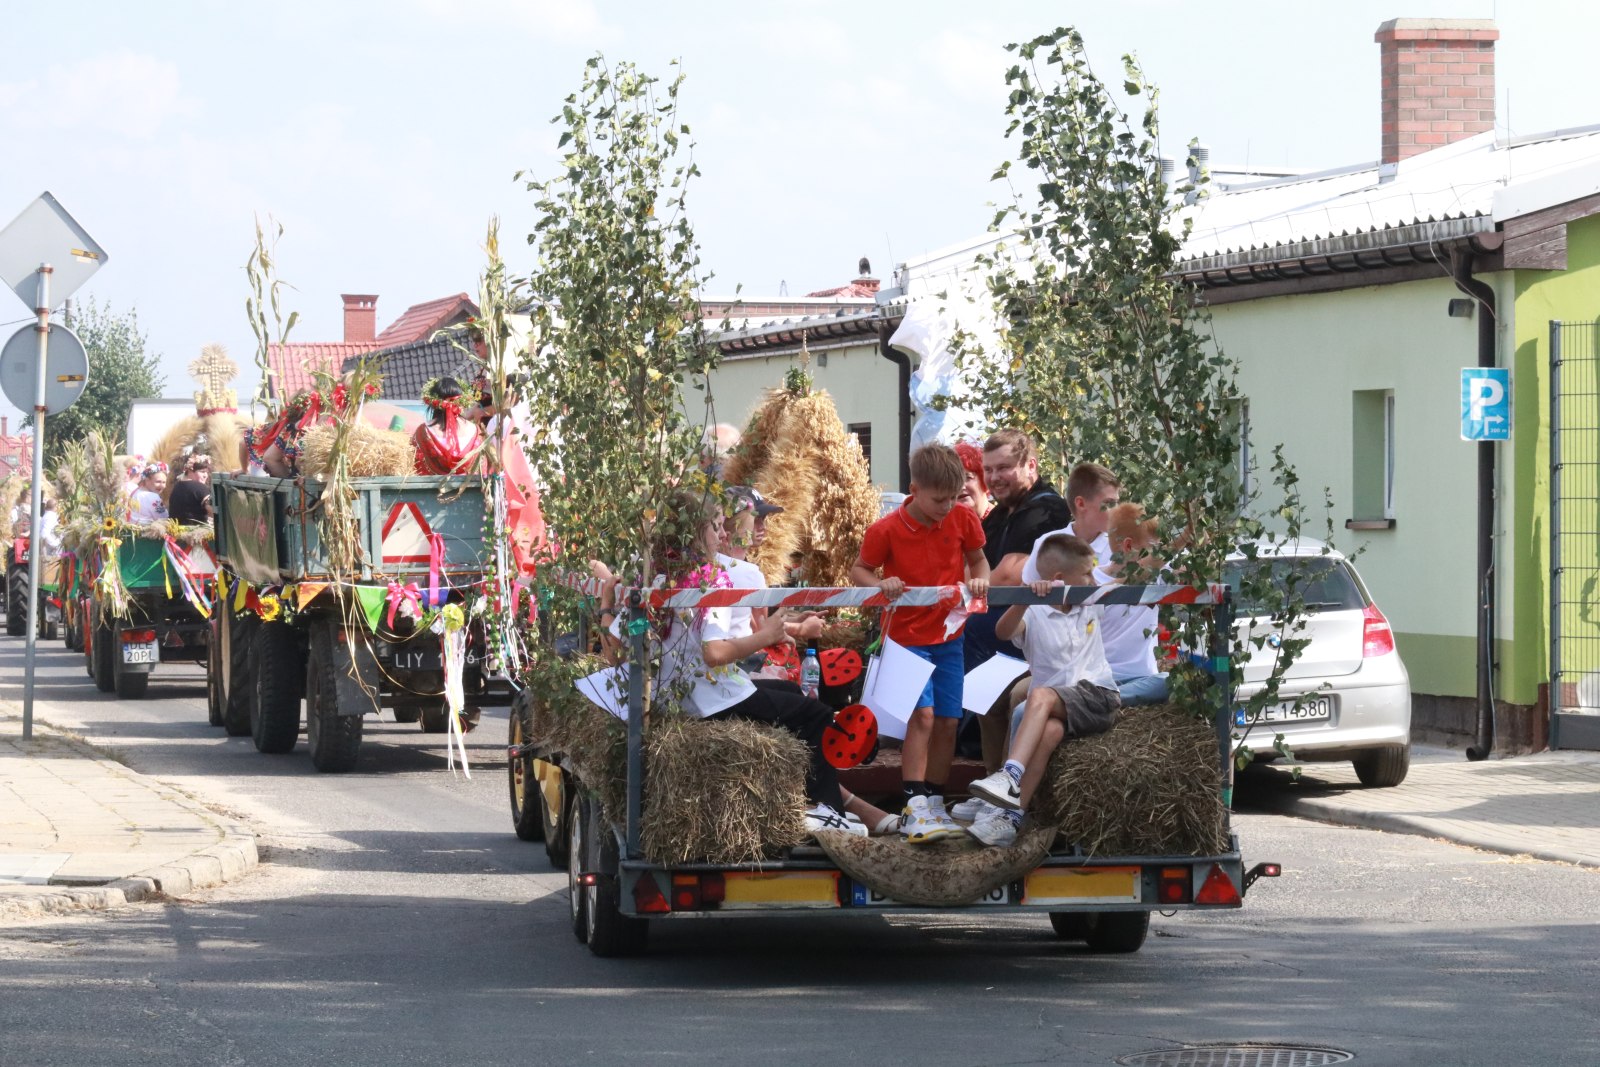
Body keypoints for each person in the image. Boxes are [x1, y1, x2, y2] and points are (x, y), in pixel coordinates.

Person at [625, 490, 864, 837]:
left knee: (786, 690)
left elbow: (625, 645)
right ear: (697, 532)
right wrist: (766, 636)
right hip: (710, 698)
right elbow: (715, 653)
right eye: (716, 527)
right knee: (817, 715)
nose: (722, 536)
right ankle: (824, 808)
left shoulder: (659, 576)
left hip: (677, 695)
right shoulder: (712, 579)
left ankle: (792, 802)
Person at [717, 486, 898, 835]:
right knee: (814, 712)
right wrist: (795, 631)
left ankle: (830, 803)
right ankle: (829, 807)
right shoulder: (743, 572)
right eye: (757, 518)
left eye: (766, 519)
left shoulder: (723, 570)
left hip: (732, 672)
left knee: (797, 698)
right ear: (728, 522)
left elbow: (752, 630)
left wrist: (792, 627)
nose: (763, 528)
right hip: (733, 675)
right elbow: (746, 637)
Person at [851, 443, 989, 844]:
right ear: (914, 488)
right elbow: (859, 570)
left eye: (953, 497)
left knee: (949, 719)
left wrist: (980, 579)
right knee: (923, 717)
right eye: (938, 499)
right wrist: (881, 585)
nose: (947, 506)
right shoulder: (886, 529)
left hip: (948, 635)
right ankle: (913, 804)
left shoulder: (963, 518)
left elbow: (979, 560)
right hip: (907, 638)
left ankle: (935, 799)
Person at [965, 533, 1120, 847]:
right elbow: (1003, 630)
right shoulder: (1033, 612)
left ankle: (1009, 775)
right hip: (1061, 707)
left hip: (1099, 698)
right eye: (1087, 573)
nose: (1093, 579)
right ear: (1060, 579)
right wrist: (1024, 599)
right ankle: (1012, 817)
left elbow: (1130, 578)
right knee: (1047, 733)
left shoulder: (1091, 602)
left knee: (1038, 694)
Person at [957, 430, 1071, 780]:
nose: (993, 478)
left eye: (1003, 467)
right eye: (988, 470)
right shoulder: (1000, 514)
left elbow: (1009, 574)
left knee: (967, 631)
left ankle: (999, 780)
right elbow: (969, 569)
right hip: (1003, 632)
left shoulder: (1047, 509)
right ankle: (991, 776)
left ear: (1030, 466)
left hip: (1039, 636)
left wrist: (983, 576)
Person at [1096, 502, 1171, 706]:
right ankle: (1104, 699)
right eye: (1154, 550)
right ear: (1128, 546)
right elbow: (1132, 578)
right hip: (1098, 680)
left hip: (1145, 681)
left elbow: (1200, 566)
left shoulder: (1160, 574)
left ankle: (1105, 701)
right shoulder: (1089, 581)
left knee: (1169, 682)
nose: (1160, 557)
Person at [1021, 461, 1121, 584]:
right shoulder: (1047, 542)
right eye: (1109, 503)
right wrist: (1037, 588)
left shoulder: (1119, 547)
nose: (1117, 510)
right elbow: (1024, 595)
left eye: (1117, 502)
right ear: (1081, 504)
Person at [412, 376, 482, 475]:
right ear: (462, 400)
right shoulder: (476, 430)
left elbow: (416, 464)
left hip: (432, 489)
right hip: (470, 488)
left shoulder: (423, 431)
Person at [167, 453, 213, 525]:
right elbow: (212, 511)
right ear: (190, 471)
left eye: (207, 472)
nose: (205, 475)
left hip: (175, 532)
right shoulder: (200, 488)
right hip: (196, 533)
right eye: (202, 472)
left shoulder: (176, 487)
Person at [953, 440, 992, 520]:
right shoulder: (951, 528)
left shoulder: (1007, 522)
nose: (960, 487)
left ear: (984, 480)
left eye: (967, 478)